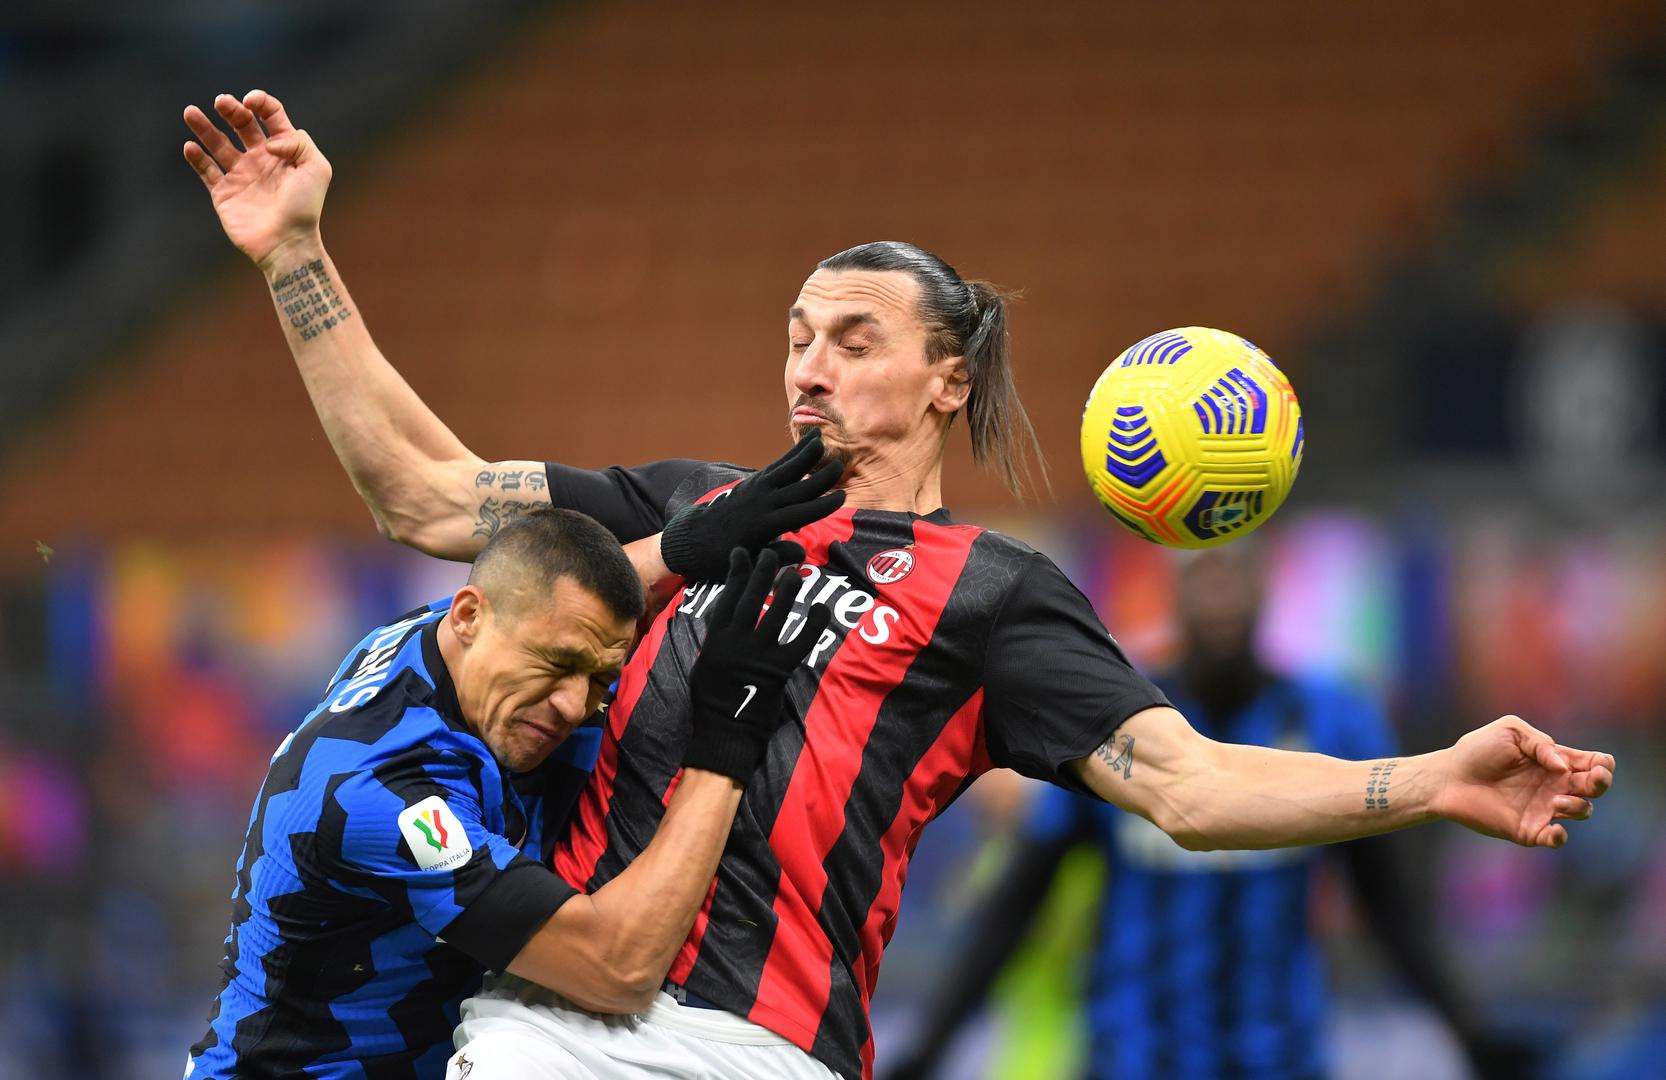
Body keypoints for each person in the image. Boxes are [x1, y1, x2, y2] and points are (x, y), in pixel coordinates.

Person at [183, 90, 1616, 1080]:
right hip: (552, 1023)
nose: (807, 366)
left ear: (947, 377)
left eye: (853, 337)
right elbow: (427, 495)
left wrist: (1426, 778)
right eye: (796, 336)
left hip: (772, 1046)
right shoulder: (694, 509)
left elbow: (1186, 787)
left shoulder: (995, 600)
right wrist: (298, 256)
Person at [186, 508, 834, 1079]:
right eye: (556, 667)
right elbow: (616, 969)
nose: (574, 705)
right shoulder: (387, 800)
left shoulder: (446, 641)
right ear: (469, 615)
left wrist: (677, 548)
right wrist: (724, 743)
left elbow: (550, 600)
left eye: (598, 678)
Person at [884, 548, 1531, 1080]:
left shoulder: (1335, 720)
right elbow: (1019, 900)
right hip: (1135, 1059)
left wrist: (1466, 1030)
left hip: (1282, 1058)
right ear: (1175, 594)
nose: (1220, 603)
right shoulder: (1112, 720)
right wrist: (933, 1045)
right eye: (1204, 581)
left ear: (1264, 591)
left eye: (1234, 580)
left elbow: (1390, 905)